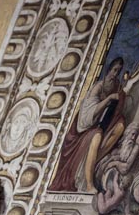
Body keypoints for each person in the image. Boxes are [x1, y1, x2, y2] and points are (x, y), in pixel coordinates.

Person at [49, 57, 126, 192]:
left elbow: (114, 114)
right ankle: (89, 184)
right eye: (114, 70)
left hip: (98, 127)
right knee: (96, 136)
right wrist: (108, 99)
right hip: (80, 133)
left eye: (118, 71)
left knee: (120, 126)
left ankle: (94, 160)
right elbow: (87, 119)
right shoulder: (97, 87)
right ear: (108, 70)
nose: (115, 74)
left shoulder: (116, 87)